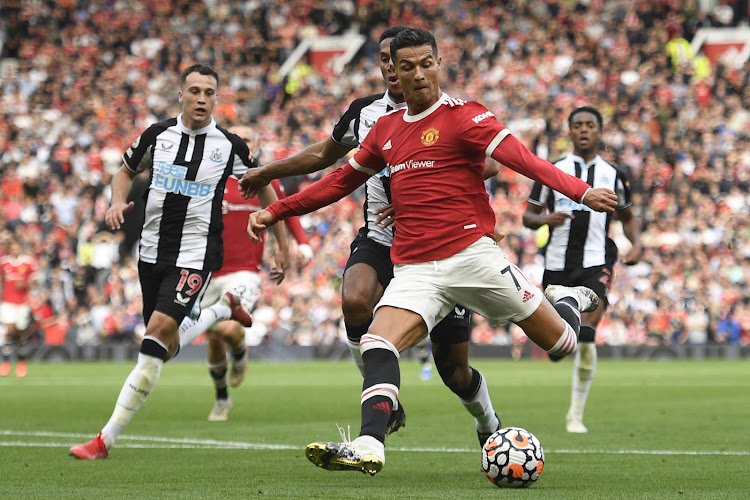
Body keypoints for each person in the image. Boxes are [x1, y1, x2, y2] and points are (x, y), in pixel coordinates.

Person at [245, 28, 618, 475]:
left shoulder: (466, 116)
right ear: (394, 74)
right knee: (378, 342)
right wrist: (277, 211)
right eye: (407, 66)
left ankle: (569, 299)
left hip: (473, 259)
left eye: (426, 63)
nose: (418, 74)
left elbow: (524, 160)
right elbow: (338, 181)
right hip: (416, 268)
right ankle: (370, 444)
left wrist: (582, 192)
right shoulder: (383, 129)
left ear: (439, 63)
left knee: (561, 344)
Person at [240, 25, 503, 446]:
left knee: (454, 371)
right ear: (384, 66)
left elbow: (489, 164)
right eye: (384, 59)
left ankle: (489, 422)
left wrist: (415, 186)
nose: (393, 68)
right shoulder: (364, 113)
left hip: (439, 245)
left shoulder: (445, 112)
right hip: (382, 238)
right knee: (354, 297)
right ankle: (382, 398)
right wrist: (268, 171)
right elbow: (323, 157)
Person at [69, 64, 279, 459]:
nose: (202, 98)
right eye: (195, 91)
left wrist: (276, 228)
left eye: (209, 92)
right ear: (180, 95)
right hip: (150, 254)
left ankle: (104, 439)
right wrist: (117, 201)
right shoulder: (157, 135)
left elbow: (264, 183)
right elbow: (125, 171)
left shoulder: (228, 145)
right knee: (164, 346)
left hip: (196, 255)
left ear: (217, 98)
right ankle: (221, 311)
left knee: (156, 335)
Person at [522, 106, 642, 434]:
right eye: (578, 125)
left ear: (600, 132)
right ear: (570, 132)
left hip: (597, 262)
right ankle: (567, 307)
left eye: (590, 125)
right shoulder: (551, 170)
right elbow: (528, 218)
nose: (584, 130)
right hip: (557, 267)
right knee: (559, 348)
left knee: (587, 334)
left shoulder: (614, 174)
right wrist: (547, 219)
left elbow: (627, 217)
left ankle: (575, 415)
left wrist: (636, 244)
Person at [180, 125, 311, 422]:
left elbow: (285, 212)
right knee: (213, 336)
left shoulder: (265, 182)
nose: (240, 144)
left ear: (257, 146)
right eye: (234, 140)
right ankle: (222, 397)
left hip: (245, 271)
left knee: (225, 327)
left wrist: (298, 245)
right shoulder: (213, 181)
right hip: (208, 272)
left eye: (247, 140)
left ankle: (239, 355)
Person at [0, 239, 38, 378]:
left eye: (17, 248)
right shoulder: (4, 262)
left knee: (21, 333)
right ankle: (5, 363)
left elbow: (35, 282)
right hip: (7, 302)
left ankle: (21, 362)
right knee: (9, 329)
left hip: (22, 303)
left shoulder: (28, 262)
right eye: (13, 248)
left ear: (20, 248)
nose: (15, 250)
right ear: (10, 249)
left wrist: (26, 284)